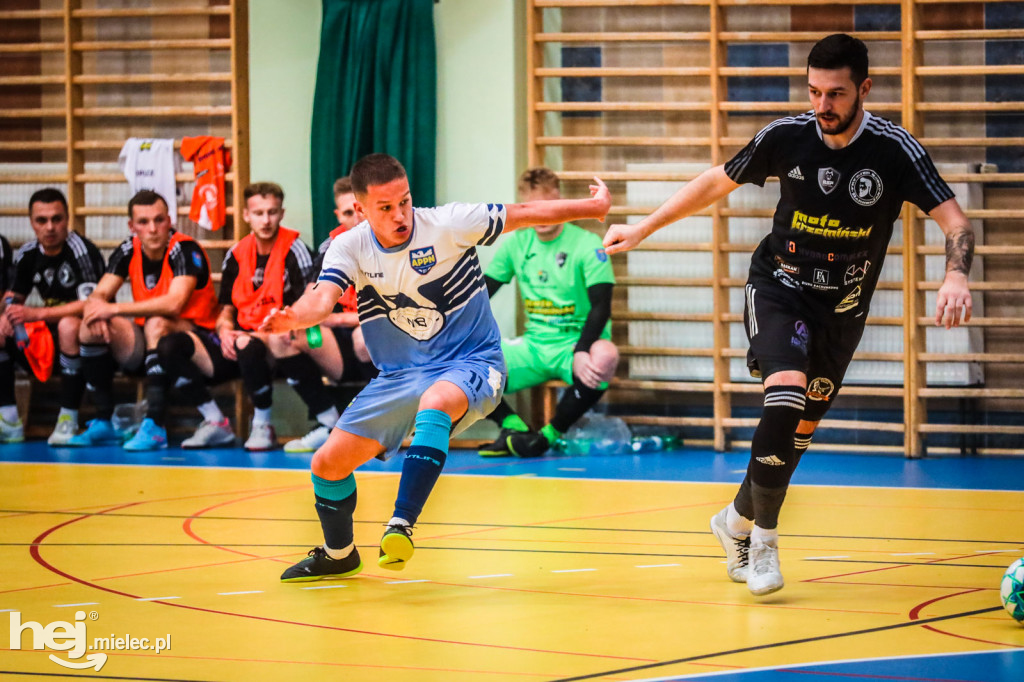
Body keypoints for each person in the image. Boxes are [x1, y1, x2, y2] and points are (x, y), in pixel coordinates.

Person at [603, 33, 974, 597]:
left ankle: (733, 523)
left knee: (795, 434)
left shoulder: (895, 150)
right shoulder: (787, 136)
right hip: (778, 288)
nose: (823, 105)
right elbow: (713, 182)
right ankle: (765, 546)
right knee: (786, 394)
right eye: (814, 91)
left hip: (842, 314)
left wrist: (955, 274)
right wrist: (642, 227)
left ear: (864, 90)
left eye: (836, 94)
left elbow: (956, 221)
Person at [262, 153, 610, 581]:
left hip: (472, 360)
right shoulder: (348, 246)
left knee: (437, 399)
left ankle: (401, 524)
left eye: (404, 202)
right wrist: (294, 318)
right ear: (360, 209)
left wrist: (592, 209)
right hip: (399, 375)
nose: (400, 215)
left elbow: (523, 213)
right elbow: (320, 299)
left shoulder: (448, 223)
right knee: (327, 465)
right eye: (385, 208)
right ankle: (339, 554)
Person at [160, 182, 343, 452]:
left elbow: (309, 307)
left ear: (281, 214)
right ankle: (215, 421)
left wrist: (249, 336)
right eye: (258, 213)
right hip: (243, 341)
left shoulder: (295, 250)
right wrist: (223, 331)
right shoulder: (235, 254)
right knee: (170, 346)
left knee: (268, 341)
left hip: (287, 340)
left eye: (271, 212)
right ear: (246, 215)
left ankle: (267, 425)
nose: (266, 220)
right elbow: (226, 310)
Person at [478, 167, 619, 458]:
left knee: (606, 357)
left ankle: (548, 436)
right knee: (462, 360)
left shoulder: (587, 244)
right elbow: (480, 295)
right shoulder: (516, 244)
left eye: (548, 206)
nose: (541, 215)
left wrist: (581, 350)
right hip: (533, 345)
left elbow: (602, 306)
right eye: (533, 208)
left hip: (575, 344)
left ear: (561, 202)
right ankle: (513, 425)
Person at [69, 190, 220, 450]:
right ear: (132, 226)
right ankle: (105, 421)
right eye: (143, 222)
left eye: (159, 220)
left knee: (156, 323)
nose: (152, 229)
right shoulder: (129, 248)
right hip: (150, 342)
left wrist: (113, 310)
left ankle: (155, 425)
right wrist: (98, 310)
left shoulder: (184, 249)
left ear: (169, 220)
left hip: (197, 337)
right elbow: (98, 295)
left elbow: (174, 304)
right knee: (89, 326)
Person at [0, 189, 105, 445]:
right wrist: (7, 311)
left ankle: (67, 419)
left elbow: (92, 305)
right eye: (41, 220)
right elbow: (15, 295)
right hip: (47, 338)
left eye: (56, 219)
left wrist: (38, 313)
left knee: (70, 326)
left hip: (90, 339)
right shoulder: (27, 254)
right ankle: (9, 419)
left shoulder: (82, 252)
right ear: (31, 222)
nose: (49, 227)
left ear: (67, 219)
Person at [310, 176, 376, 405]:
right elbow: (313, 298)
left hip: (383, 333)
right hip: (341, 341)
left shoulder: (390, 243)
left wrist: (336, 319)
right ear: (338, 215)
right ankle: (326, 419)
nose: (356, 219)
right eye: (348, 213)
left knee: (364, 336)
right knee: (300, 335)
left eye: (360, 210)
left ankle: (381, 412)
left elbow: (393, 311)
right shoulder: (329, 248)